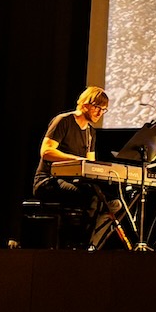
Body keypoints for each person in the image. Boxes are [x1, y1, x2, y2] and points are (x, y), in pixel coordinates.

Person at [31, 86, 125, 249]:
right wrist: (77, 159)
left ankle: (91, 244)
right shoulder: (64, 121)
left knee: (115, 203)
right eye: (98, 107)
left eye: (104, 110)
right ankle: (81, 245)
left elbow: (90, 166)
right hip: (48, 181)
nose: (100, 113)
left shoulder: (90, 132)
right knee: (92, 197)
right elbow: (46, 152)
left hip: (73, 182)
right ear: (86, 104)